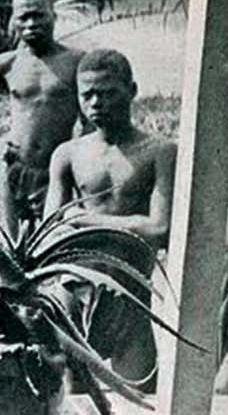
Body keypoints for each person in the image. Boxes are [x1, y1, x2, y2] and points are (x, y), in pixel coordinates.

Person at [44, 49, 176, 390]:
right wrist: (129, 224)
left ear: (131, 90)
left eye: (107, 93)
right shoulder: (69, 154)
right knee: (75, 404)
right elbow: (51, 228)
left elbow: (159, 228)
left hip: (130, 296)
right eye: (87, 94)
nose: (96, 103)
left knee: (142, 400)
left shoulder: (159, 152)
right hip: (76, 290)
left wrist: (84, 221)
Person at [0, 0, 85, 241]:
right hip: (15, 167)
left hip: (57, 172)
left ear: (54, 15)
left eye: (38, 15)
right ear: (13, 21)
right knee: (17, 247)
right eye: (23, 17)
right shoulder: (8, 63)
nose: (31, 23)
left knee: (58, 242)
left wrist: (81, 156)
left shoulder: (76, 62)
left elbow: (91, 119)